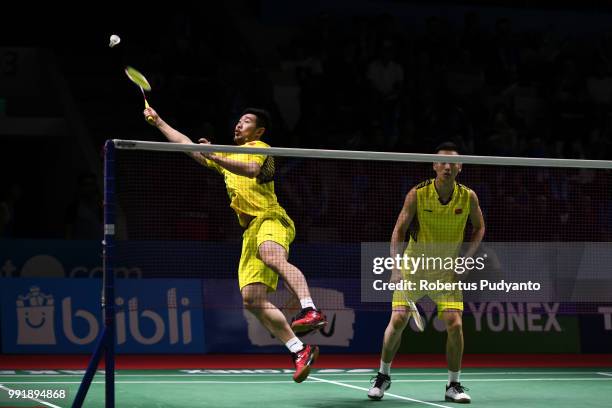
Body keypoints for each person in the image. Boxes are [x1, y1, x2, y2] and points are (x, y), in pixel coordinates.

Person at [143, 106, 327, 383]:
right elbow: (185, 144)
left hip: (271, 218)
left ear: (259, 131)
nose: (240, 125)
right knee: (252, 299)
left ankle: (310, 309)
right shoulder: (225, 155)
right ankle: (299, 349)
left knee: (271, 255)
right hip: (249, 230)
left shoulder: (260, 147)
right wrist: (159, 122)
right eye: (239, 121)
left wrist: (214, 153)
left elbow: (251, 169)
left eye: (247, 121)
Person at [368, 142, 485, 403]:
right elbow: (399, 231)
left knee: (455, 324)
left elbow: (479, 228)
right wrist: (396, 267)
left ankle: (453, 385)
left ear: (460, 167)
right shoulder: (418, 194)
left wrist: (465, 260)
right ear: (434, 165)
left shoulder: (468, 197)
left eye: (453, 162)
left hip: (446, 272)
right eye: (442, 162)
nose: (447, 166)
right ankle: (382, 376)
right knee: (397, 321)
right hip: (414, 267)